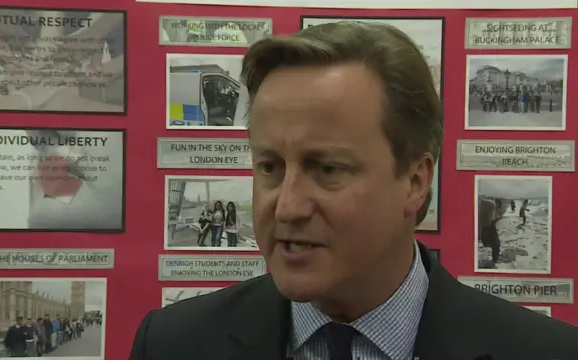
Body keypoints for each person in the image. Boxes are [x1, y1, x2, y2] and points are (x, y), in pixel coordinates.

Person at [128, 22, 578, 360]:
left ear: (416, 181)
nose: (286, 207)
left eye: (327, 168)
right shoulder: (173, 345)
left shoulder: (546, 352)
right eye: (270, 167)